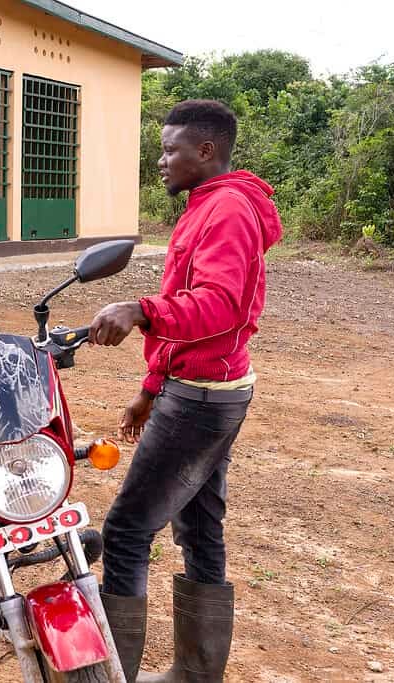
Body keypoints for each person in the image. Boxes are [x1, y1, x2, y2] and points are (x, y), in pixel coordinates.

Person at [87, 100, 283, 682]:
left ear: (205, 151)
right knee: (200, 525)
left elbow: (222, 307)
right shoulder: (207, 205)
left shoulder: (227, 210)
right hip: (205, 387)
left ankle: (112, 675)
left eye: (171, 149)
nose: (162, 161)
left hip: (201, 398)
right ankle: (195, 674)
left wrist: (139, 309)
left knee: (125, 530)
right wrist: (151, 387)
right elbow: (191, 298)